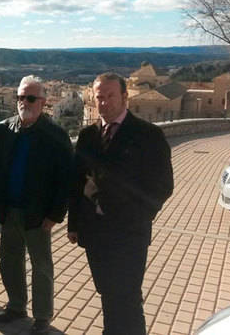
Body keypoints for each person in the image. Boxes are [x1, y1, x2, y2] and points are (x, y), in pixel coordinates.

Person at [68, 72, 173, 335]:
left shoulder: (148, 135)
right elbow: (76, 183)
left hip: (129, 233)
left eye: (110, 96)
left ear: (125, 97)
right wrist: (74, 224)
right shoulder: (88, 136)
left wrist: (134, 215)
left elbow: (162, 187)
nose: (103, 103)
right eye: (99, 97)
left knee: (127, 298)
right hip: (95, 232)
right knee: (106, 292)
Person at [0, 76, 73, 333]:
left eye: (31, 97)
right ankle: (15, 306)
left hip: (38, 214)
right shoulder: (3, 130)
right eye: (21, 97)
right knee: (9, 261)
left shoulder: (56, 135)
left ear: (43, 102)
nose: (25, 102)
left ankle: (43, 316)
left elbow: (65, 179)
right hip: (9, 209)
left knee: (41, 266)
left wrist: (56, 214)